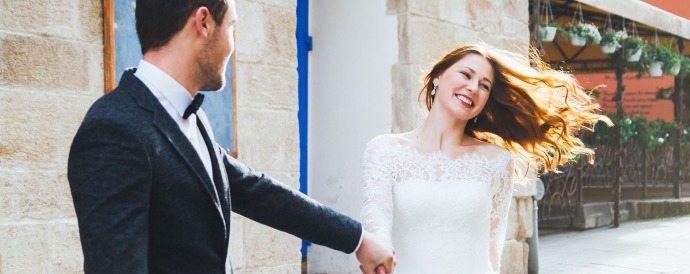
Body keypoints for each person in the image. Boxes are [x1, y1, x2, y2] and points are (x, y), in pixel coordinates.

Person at [67, 1, 394, 273]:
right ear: (204, 23)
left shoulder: (192, 116)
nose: (233, 45)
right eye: (233, 27)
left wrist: (358, 239)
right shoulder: (113, 130)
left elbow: (258, 192)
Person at [361, 44, 611, 273]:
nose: (473, 87)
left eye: (484, 85)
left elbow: (492, 251)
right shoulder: (384, 150)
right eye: (466, 75)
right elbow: (377, 225)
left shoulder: (496, 161)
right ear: (437, 76)